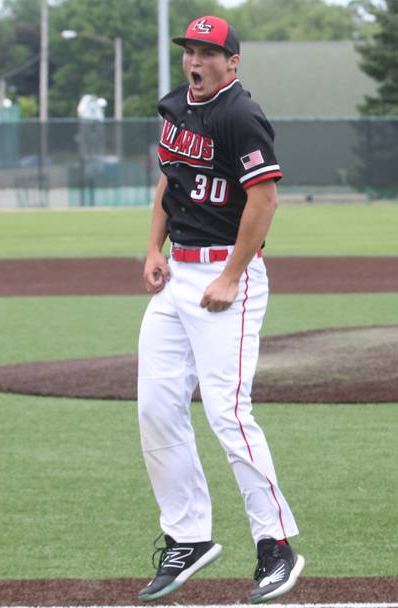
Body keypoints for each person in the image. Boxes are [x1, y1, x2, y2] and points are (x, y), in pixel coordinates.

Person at [136, 15, 303, 604]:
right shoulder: (178, 107)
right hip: (177, 272)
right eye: (190, 52)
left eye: (209, 53)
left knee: (229, 414)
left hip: (224, 277)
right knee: (156, 405)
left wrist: (232, 275)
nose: (195, 62)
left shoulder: (240, 115)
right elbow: (169, 181)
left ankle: (276, 544)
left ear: (232, 63)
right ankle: (188, 537)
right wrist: (154, 247)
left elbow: (265, 199)